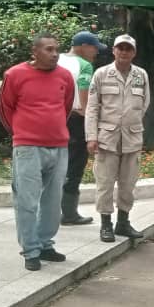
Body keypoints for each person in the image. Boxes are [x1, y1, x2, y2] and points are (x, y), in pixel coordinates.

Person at [0, 32, 75, 271]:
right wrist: (22, 133)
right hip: (27, 147)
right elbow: (4, 109)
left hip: (59, 146)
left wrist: (53, 129)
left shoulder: (65, 76)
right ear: (35, 52)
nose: (55, 54)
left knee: (53, 201)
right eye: (49, 49)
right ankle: (31, 250)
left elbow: (66, 107)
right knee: (27, 201)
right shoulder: (14, 75)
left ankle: (45, 244)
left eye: (56, 49)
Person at [85, 34, 151, 243]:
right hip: (107, 138)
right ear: (114, 51)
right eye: (120, 48)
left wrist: (131, 123)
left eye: (128, 49)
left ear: (134, 52)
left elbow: (144, 104)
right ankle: (106, 224)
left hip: (132, 138)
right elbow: (92, 108)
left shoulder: (141, 75)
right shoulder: (101, 74)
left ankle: (123, 222)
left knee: (128, 184)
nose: (124, 52)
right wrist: (91, 137)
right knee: (104, 183)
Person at [57, 31, 106, 226]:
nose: (96, 52)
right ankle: (69, 214)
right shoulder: (84, 65)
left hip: (54, 118)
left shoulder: (56, 59)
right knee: (75, 165)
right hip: (76, 119)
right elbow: (84, 91)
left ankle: (50, 211)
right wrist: (89, 118)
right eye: (94, 48)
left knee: (55, 164)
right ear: (83, 46)